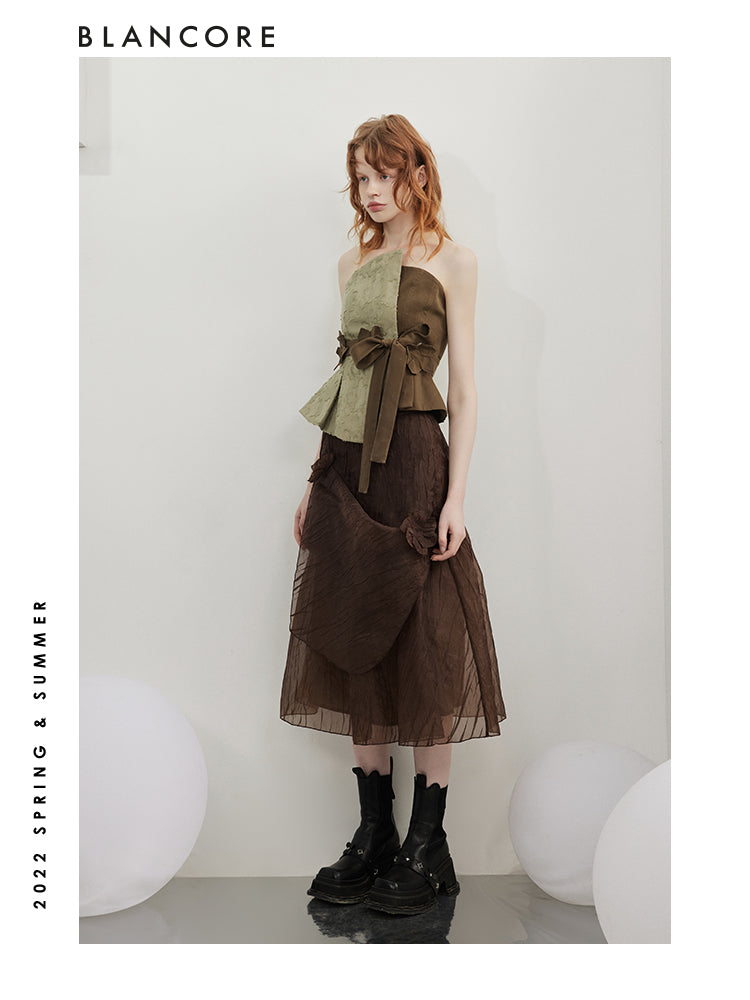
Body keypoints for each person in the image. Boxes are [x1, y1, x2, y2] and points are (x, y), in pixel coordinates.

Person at [280, 114, 507, 916]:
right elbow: (346, 379)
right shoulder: (352, 262)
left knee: (425, 644)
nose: (371, 191)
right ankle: (374, 833)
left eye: (383, 174)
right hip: (349, 469)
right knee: (355, 636)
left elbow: (466, 389)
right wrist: (315, 482)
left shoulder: (454, 260)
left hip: (414, 465)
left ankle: (428, 843)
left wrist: (457, 496)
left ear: (417, 171)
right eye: (360, 178)